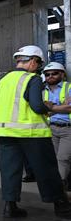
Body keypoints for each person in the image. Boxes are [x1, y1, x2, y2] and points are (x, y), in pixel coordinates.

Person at [0, 45, 71, 219]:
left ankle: (10, 207)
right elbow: (36, 106)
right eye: (39, 64)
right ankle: (62, 207)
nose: (39, 68)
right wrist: (49, 106)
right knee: (47, 169)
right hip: (31, 133)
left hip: (5, 132)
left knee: (10, 170)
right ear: (33, 61)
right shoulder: (32, 79)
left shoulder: (2, 80)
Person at [42, 61, 71, 190]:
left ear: (62, 74)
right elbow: (42, 110)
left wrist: (51, 107)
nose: (50, 76)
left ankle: (61, 186)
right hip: (51, 128)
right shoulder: (43, 91)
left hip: (68, 128)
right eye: (47, 74)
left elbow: (69, 109)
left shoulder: (68, 87)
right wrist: (61, 106)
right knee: (53, 158)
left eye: (54, 73)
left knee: (63, 158)